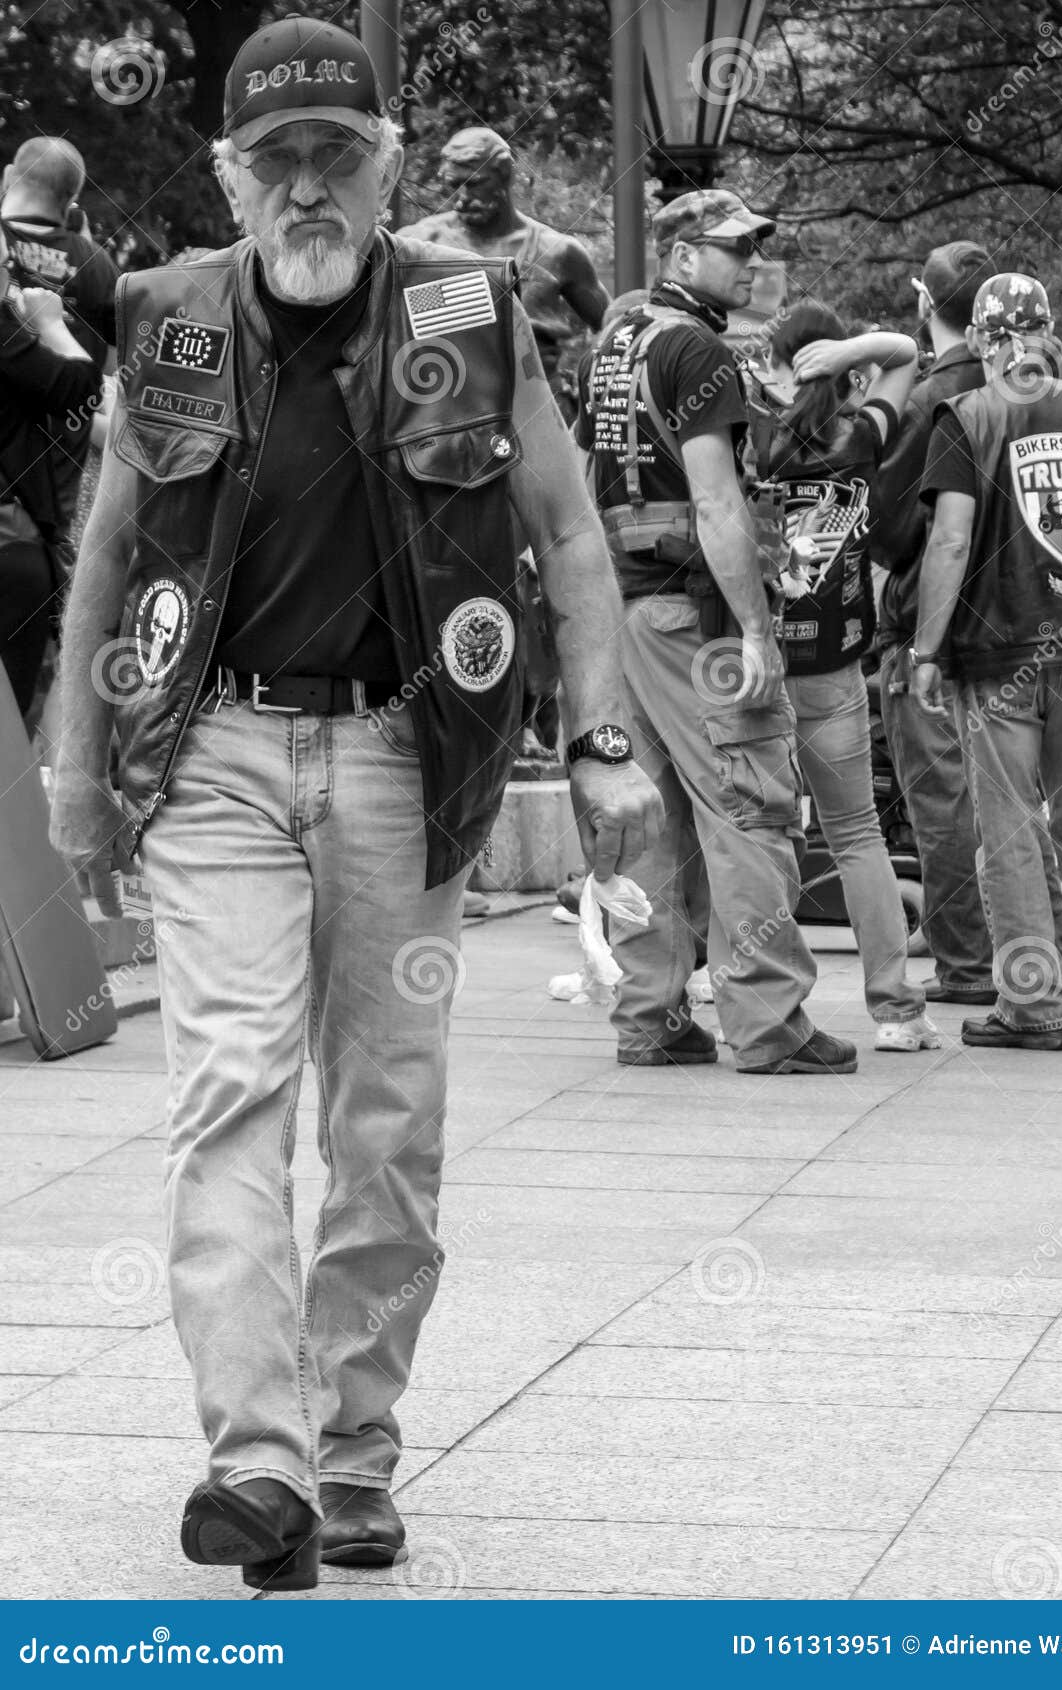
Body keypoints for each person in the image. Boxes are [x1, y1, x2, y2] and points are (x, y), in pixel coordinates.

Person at [49, 15, 661, 1592]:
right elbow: (109, 548)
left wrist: (600, 739)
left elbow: (572, 538)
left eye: (338, 156)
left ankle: (354, 1447)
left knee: (387, 1124)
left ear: (387, 166)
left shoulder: (472, 310)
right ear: (232, 178)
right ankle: (254, 1458)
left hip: (408, 755)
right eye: (278, 162)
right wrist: (72, 764)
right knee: (229, 1091)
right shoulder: (168, 316)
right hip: (215, 760)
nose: (308, 188)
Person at [576, 189, 856, 1076]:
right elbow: (713, 498)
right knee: (750, 806)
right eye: (732, 249)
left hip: (623, 607)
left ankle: (649, 1018)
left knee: (648, 819)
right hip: (692, 615)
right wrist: (754, 632)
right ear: (682, 255)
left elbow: (589, 480)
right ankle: (769, 1022)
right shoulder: (695, 347)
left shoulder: (617, 341)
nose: (749, 263)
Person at [913, 272, 1062, 1050]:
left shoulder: (967, 415)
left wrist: (924, 647)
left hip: (996, 657)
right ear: (1048, 331)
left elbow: (949, 540)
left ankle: (1033, 1008)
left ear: (983, 343)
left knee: (1011, 831)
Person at [874, 242, 1062, 1006]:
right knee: (1038, 810)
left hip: (944, 625)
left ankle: (965, 965)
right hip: (1038, 623)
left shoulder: (936, 401)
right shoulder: (1058, 399)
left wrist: (919, 643)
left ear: (927, 306)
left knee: (944, 803)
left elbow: (898, 533)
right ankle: (1060, 959)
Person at [748, 302, 939, 1052]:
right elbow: (905, 355)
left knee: (756, 829)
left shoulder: (750, 440)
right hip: (832, 661)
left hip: (753, 664)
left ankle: (735, 984)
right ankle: (895, 1009)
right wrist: (846, 355)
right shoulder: (857, 437)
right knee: (856, 831)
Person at [402, 126, 609, 372]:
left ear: (505, 175)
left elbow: (615, 328)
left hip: (535, 395)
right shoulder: (419, 243)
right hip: (451, 396)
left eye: (475, 183)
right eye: (453, 185)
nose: (462, 197)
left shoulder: (556, 251)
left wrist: (592, 384)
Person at [0, 221, 102, 715]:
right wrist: (51, 324)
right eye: (3, 269)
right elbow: (80, 386)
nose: (13, 281)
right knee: (9, 741)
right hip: (10, 544)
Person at [1, 138, 118, 535]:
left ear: (9, 178)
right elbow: (112, 373)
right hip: (52, 499)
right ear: (72, 200)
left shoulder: (1, 245)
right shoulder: (99, 266)